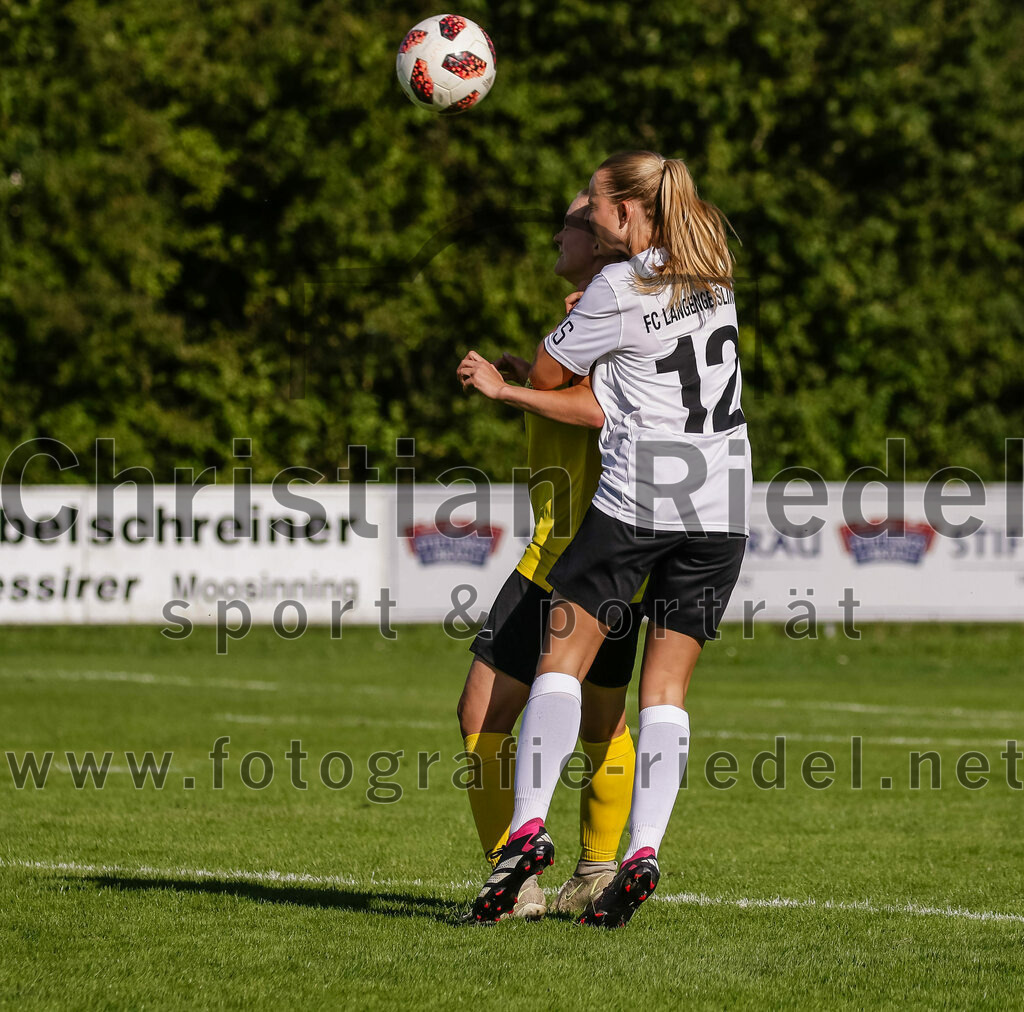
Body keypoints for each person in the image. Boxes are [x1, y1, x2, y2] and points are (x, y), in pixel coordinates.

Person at [465, 150, 751, 928]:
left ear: (627, 213)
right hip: (721, 507)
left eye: (593, 203)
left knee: (560, 661)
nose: (583, 213)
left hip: (638, 503)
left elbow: (561, 380)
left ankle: (526, 832)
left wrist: (513, 379)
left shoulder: (616, 286)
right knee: (664, 694)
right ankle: (642, 850)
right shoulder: (713, 267)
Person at [454, 191, 645, 920]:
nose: (560, 231)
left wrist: (508, 392)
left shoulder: (600, 309)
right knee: (603, 724)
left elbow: (601, 409)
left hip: (567, 554)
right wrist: (528, 377)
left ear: (600, 241)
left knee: (482, 714)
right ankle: (595, 873)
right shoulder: (609, 304)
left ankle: (518, 885)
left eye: (572, 221)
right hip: (616, 551)